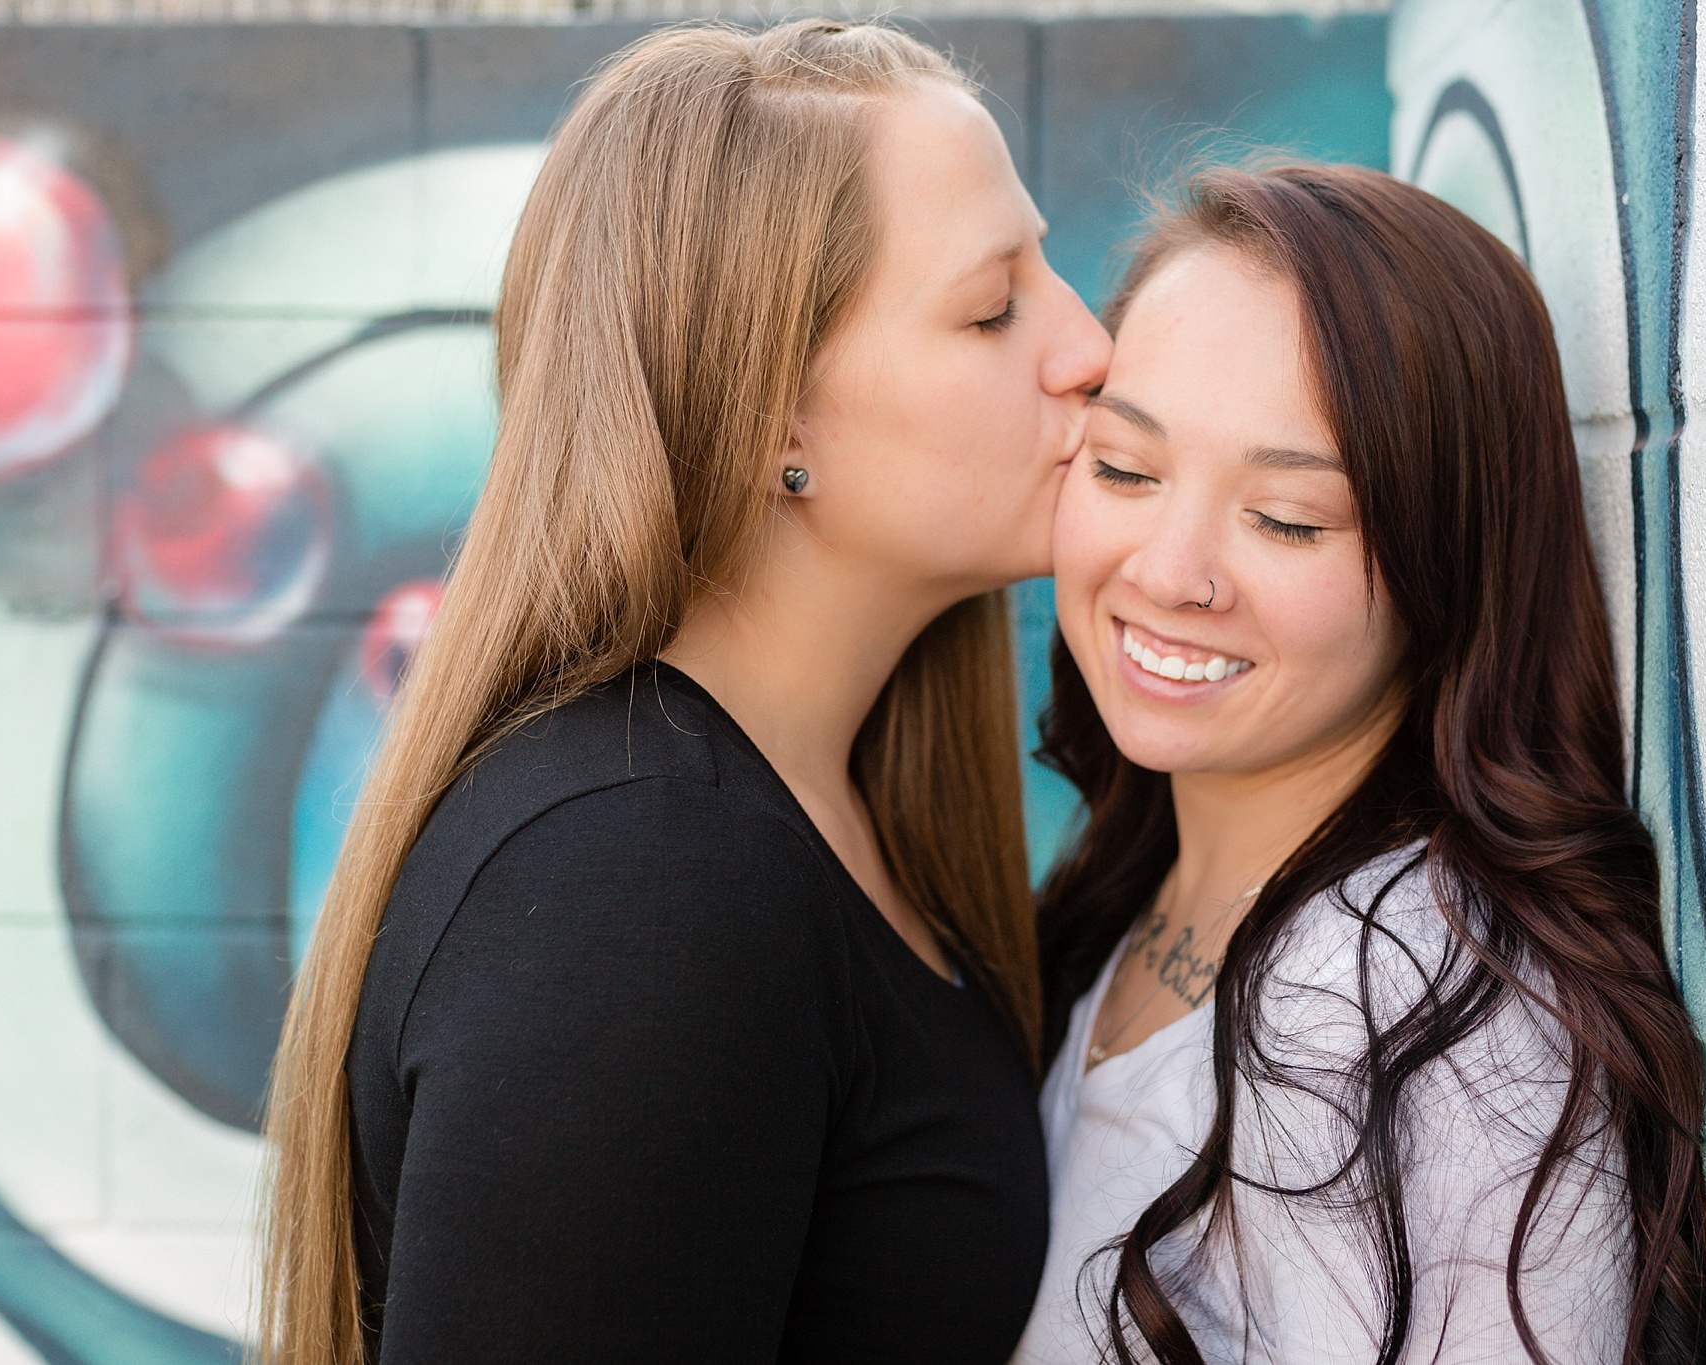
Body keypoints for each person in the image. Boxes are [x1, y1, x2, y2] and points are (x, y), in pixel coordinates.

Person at [257, 21, 1110, 1365]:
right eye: (993, 307)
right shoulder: (646, 885)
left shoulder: (800, 806)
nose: (1087, 346)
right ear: (773, 406)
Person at [1017, 164, 1706, 1365]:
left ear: (1445, 561)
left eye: (1287, 518)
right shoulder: (1150, 875)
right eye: (1125, 471)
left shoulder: (1404, 1012)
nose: (1168, 570)